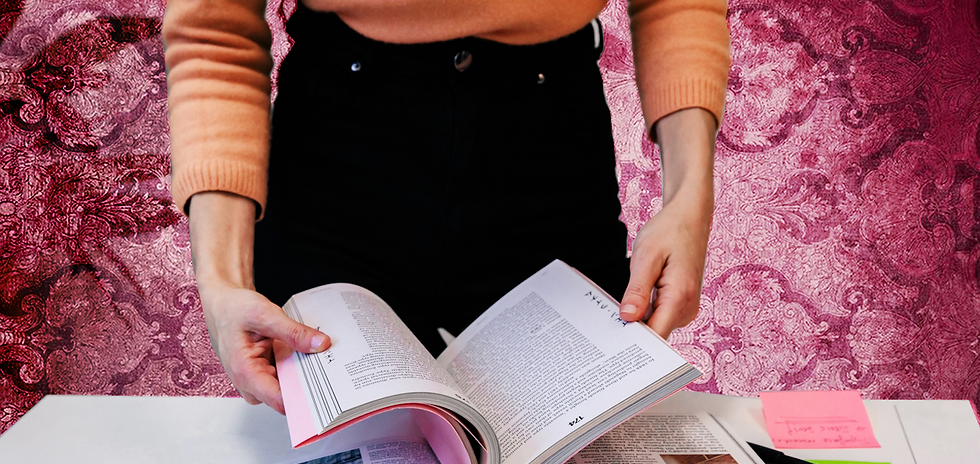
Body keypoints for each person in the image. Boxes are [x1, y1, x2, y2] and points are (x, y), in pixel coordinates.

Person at [162, 0, 730, 414]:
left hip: (547, 151)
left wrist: (688, 199)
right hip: (339, 162)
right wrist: (221, 281)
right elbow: (216, 31)